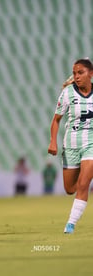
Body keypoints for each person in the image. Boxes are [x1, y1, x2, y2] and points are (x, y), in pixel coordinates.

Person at [48, 58, 93, 234]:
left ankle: (70, 224)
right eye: (74, 73)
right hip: (71, 144)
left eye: (80, 72)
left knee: (83, 184)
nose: (77, 76)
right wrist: (53, 141)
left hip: (91, 143)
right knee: (70, 188)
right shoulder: (67, 93)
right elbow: (56, 120)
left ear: (91, 74)